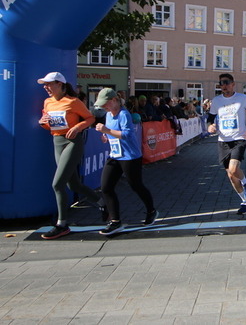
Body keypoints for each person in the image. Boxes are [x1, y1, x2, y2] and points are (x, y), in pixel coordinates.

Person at [37, 72, 103, 239]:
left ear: (60, 84)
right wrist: (43, 123)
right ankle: (103, 203)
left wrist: (77, 127)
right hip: (57, 141)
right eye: (45, 84)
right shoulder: (48, 102)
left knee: (57, 184)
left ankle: (62, 224)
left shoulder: (73, 102)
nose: (46, 87)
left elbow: (90, 118)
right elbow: (49, 125)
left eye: (49, 84)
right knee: (73, 185)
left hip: (72, 142)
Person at [94, 88, 158, 235]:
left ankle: (151, 210)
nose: (104, 107)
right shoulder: (108, 115)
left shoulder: (124, 114)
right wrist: (106, 136)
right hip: (115, 155)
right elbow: (111, 132)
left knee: (136, 186)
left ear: (114, 100)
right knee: (106, 187)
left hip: (130, 156)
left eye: (105, 104)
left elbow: (127, 135)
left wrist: (106, 131)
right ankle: (115, 221)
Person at [207, 74, 246, 215]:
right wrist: (210, 125)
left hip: (239, 139)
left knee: (233, 169)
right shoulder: (216, 101)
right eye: (221, 83)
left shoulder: (242, 98)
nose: (224, 86)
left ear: (233, 84)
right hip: (223, 141)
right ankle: (245, 200)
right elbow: (210, 117)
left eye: (226, 82)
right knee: (231, 176)